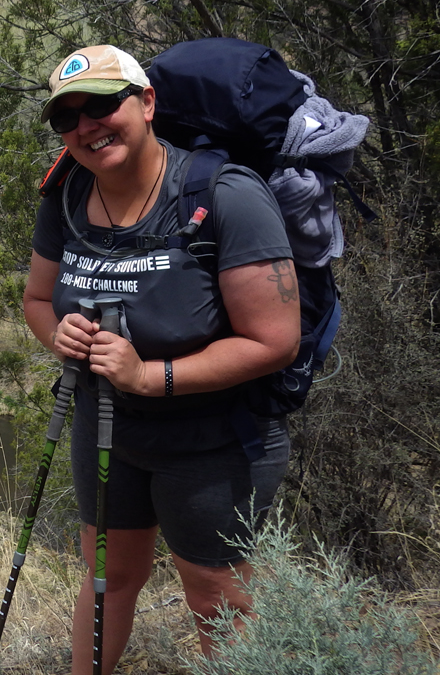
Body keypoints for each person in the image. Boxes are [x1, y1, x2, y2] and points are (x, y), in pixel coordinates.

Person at [22, 45, 300, 673]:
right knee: (105, 581)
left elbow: (273, 340)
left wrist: (148, 376)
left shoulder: (223, 193)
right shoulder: (65, 198)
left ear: (146, 103)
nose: (86, 125)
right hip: (105, 431)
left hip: (213, 441)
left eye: (101, 105)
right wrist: (58, 334)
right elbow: (38, 299)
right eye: (66, 117)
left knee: (216, 598)